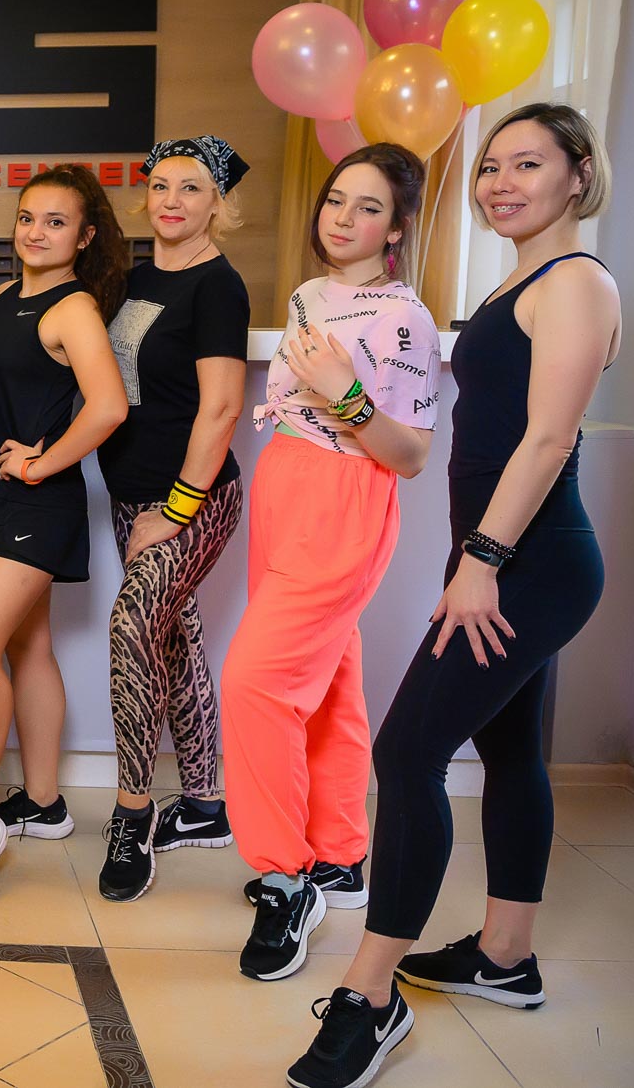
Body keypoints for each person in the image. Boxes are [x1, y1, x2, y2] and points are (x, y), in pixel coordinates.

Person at [288, 104, 619, 1088]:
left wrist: (481, 559)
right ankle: (505, 958)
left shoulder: (577, 281)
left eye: (529, 164)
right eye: (490, 166)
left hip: (528, 561)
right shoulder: (516, 281)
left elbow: (548, 441)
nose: (501, 183)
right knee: (509, 748)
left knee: (405, 752)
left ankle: (368, 996)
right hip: (502, 556)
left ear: (578, 174)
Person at [222, 144, 440, 981]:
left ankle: (285, 879)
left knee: (256, 682)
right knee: (328, 677)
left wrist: (346, 392)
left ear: (398, 227)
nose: (343, 218)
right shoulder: (311, 293)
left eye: (369, 207)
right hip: (285, 483)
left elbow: (411, 455)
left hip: (348, 493)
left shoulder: (404, 319)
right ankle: (342, 854)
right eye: (336, 200)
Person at [0, 167, 129, 904]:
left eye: (56, 221)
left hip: (38, 505)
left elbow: (108, 407)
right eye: (27, 217)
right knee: (29, 645)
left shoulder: (72, 308)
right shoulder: (1, 302)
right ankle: (45, 802)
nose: (36, 232)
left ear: (84, 237)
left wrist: (42, 463)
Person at [95, 135, 251, 902]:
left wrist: (177, 509)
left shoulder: (218, 286)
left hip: (192, 498)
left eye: (190, 188)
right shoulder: (132, 276)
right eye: (160, 185)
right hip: (130, 496)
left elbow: (221, 408)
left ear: (218, 203)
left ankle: (134, 813)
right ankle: (205, 804)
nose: (171, 200)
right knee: (172, 636)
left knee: (132, 628)